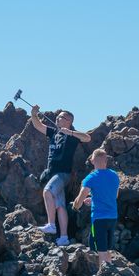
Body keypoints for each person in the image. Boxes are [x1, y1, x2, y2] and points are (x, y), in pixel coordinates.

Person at [31, 105, 91, 246]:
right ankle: (63, 237)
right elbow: (38, 125)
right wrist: (34, 114)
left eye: (61, 117)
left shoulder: (72, 135)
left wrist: (70, 132)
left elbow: (87, 138)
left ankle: (51, 225)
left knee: (47, 191)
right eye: (57, 117)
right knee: (60, 205)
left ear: (69, 121)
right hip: (52, 173)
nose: (57, 118)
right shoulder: (53, 132)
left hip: (63, 174)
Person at [73, 148, 120, 265]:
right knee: (107, 249)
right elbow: (114, 195)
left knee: (101, 250)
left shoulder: (91, 178)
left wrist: (75, 206)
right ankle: (110, 273)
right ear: (106, 161)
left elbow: (80, 198)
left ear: (92, 160)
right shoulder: (114, 175)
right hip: (113, 217)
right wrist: (94, 199)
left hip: (99, 219)